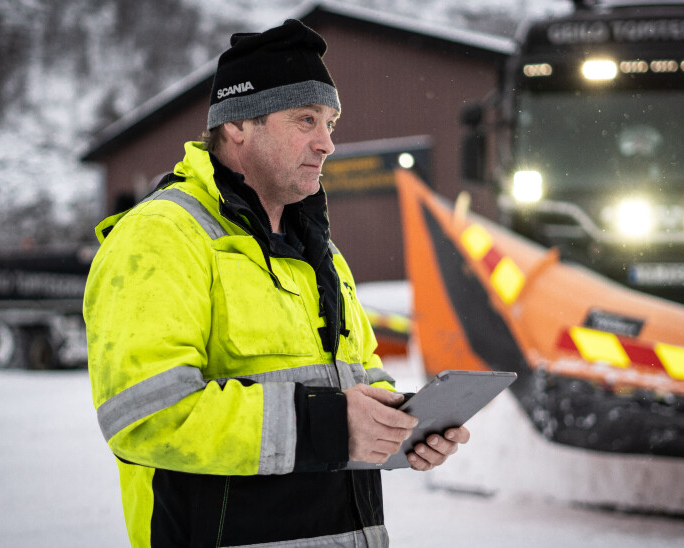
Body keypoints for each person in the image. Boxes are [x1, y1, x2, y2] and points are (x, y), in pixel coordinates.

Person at [83, 19, 470, 548]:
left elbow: (355, 377)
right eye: (306, 119)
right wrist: (332, 426)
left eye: (331, 122)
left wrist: (402, 425)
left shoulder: (319, 251)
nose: (328, 143)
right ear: (239, 124)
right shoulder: (162, 237)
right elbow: (147, 417)